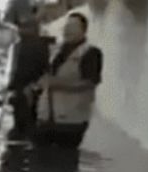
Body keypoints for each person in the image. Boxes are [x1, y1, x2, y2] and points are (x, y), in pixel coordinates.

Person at [32, 12, 103, 149]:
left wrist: (58, 83)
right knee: (40, 162)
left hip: (71, 121)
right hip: (46, 118)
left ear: (84, 30)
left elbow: (89, 83)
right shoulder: (57, 51)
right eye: (67, 26)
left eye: (73, 26)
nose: (68, 29)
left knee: (64, 163)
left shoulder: (90, 53)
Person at [6, 16, 51, 137]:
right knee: (25, 119)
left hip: (28, 89)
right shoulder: (36, 45)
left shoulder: (34, 45)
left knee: (25, 120)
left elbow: (29, 68)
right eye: (20, 28)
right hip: (27, 88)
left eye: (24, 28)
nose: (20, 30)